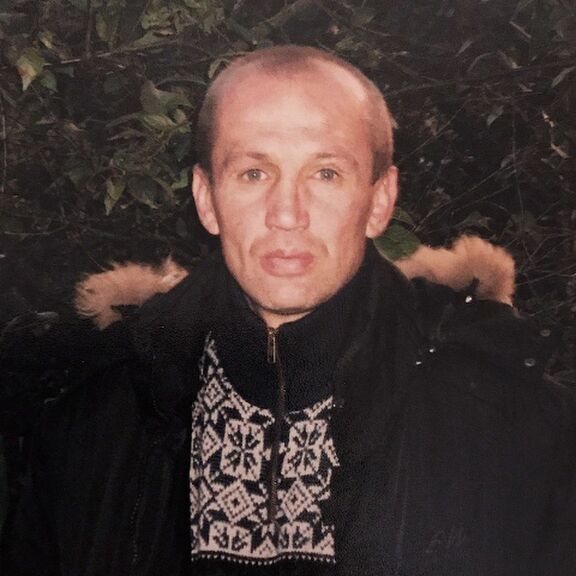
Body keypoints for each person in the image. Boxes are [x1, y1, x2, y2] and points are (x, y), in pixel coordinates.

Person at [4, 44, 576, 576]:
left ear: (379, 200)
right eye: (254, 172)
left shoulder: (515, 427)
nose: (287, 213)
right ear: (206, 199)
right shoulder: (89, 424)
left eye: (325, 173)